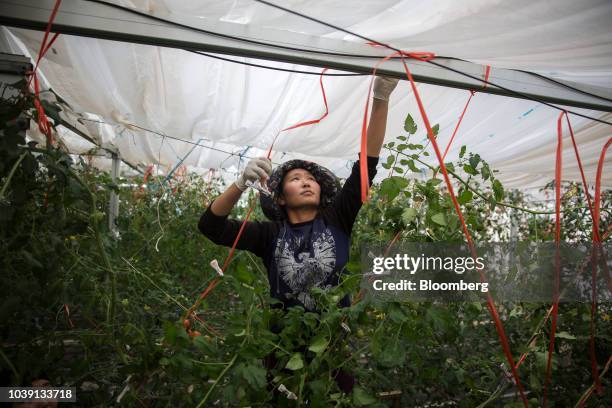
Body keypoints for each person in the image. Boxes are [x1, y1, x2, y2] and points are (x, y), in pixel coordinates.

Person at [198, 76, 399, 394]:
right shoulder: (268, 235)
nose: (306, 182)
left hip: (331, 348)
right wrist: (239, 184)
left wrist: (381, 98)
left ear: (322, 191)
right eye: (295, 178)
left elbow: (367, 165)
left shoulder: (338, 219)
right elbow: (211, 227)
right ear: (279, 197)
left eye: (311, 179)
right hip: (282, 351)